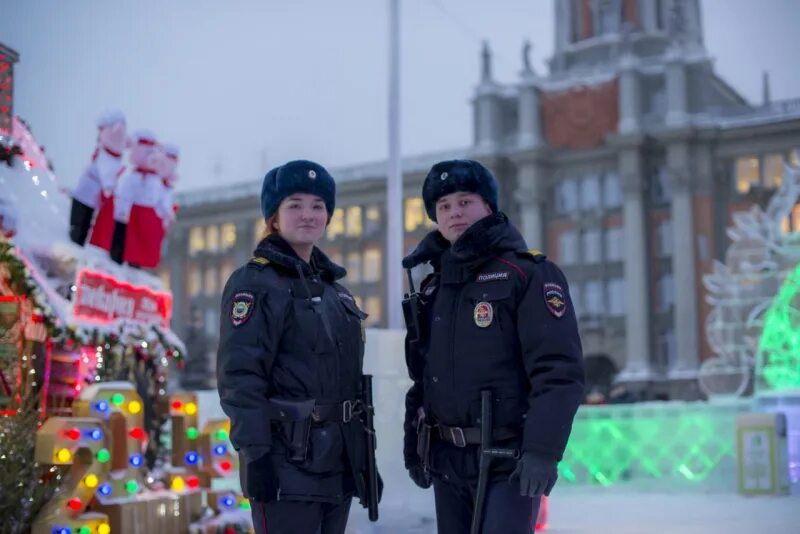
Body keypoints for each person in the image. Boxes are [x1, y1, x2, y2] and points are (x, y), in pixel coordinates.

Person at [401, 159, 585, 533]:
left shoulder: (528, 273)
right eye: (444, 206)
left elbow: (558, 370)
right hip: (447, 460)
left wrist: (543, 451)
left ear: (488, 206)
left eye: (465, 201)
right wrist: (414, 445)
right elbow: (422, 377)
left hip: (508, 461)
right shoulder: (433, 286)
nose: (455, 213)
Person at [217, 160, 378, 534]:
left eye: (318, 206)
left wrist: (363, 460)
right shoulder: (254, 282)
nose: (308, 215)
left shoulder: (335, 290)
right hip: (286, 463)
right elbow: (240, 376)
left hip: (338, 463)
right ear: (274, 217)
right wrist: (255, 454)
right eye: (295, 204)